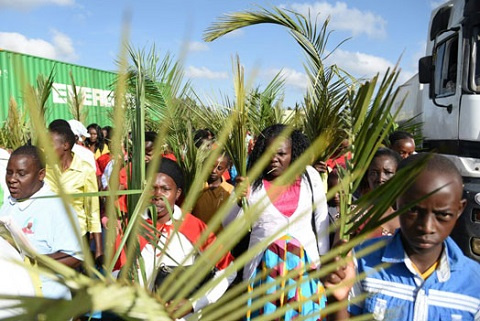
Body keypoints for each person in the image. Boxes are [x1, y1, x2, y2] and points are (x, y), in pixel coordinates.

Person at [325, 153, 480, 321]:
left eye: (442, 215)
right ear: (397, 200)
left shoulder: (474, 283)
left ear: (459, 209)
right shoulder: (362, 262)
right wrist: (337, 301)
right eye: (413, 210)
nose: (426, 227)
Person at [223, 124, 329, 320]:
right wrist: (238, 200)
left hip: (305, 273)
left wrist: (323, 262)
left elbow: (321, 220)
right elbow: (227, 224)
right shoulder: (250, 182)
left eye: (281, 153)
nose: (274, 159)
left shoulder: (309, 177)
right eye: (268, 153)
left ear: (293, 153)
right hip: (263, 275)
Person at [114, 157, 236, 318]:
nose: (157, 195)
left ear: (177, 193)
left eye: (165, 189)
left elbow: (228, 269)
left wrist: (194, 303)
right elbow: (114, 272)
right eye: (151, 188)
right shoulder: (131, 228)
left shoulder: (193, 227)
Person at [0, 145, 83, 299]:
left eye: (21, 174)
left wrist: (29, 264)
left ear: (41, 174)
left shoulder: (58, 207)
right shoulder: (8, 204)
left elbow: (74, 257)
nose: (12, 179)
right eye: (9, 172)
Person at [45, 126, 103, 264]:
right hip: (50, 235)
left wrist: (99, 249)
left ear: (65, 145)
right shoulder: (45, 169)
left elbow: (92, 210)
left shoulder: (85, 170)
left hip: (77, 236)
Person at [358, 148, 402, 237]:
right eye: (374, 173)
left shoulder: (408, 216)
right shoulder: (354, 216)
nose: (380, 179)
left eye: (388, 172)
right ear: (367, 177)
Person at [192, 149, 234, 226]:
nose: (214, 171)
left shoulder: (230, 191)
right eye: (211, 166)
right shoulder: (196, 186)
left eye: (219, 168)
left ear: (226, 168)